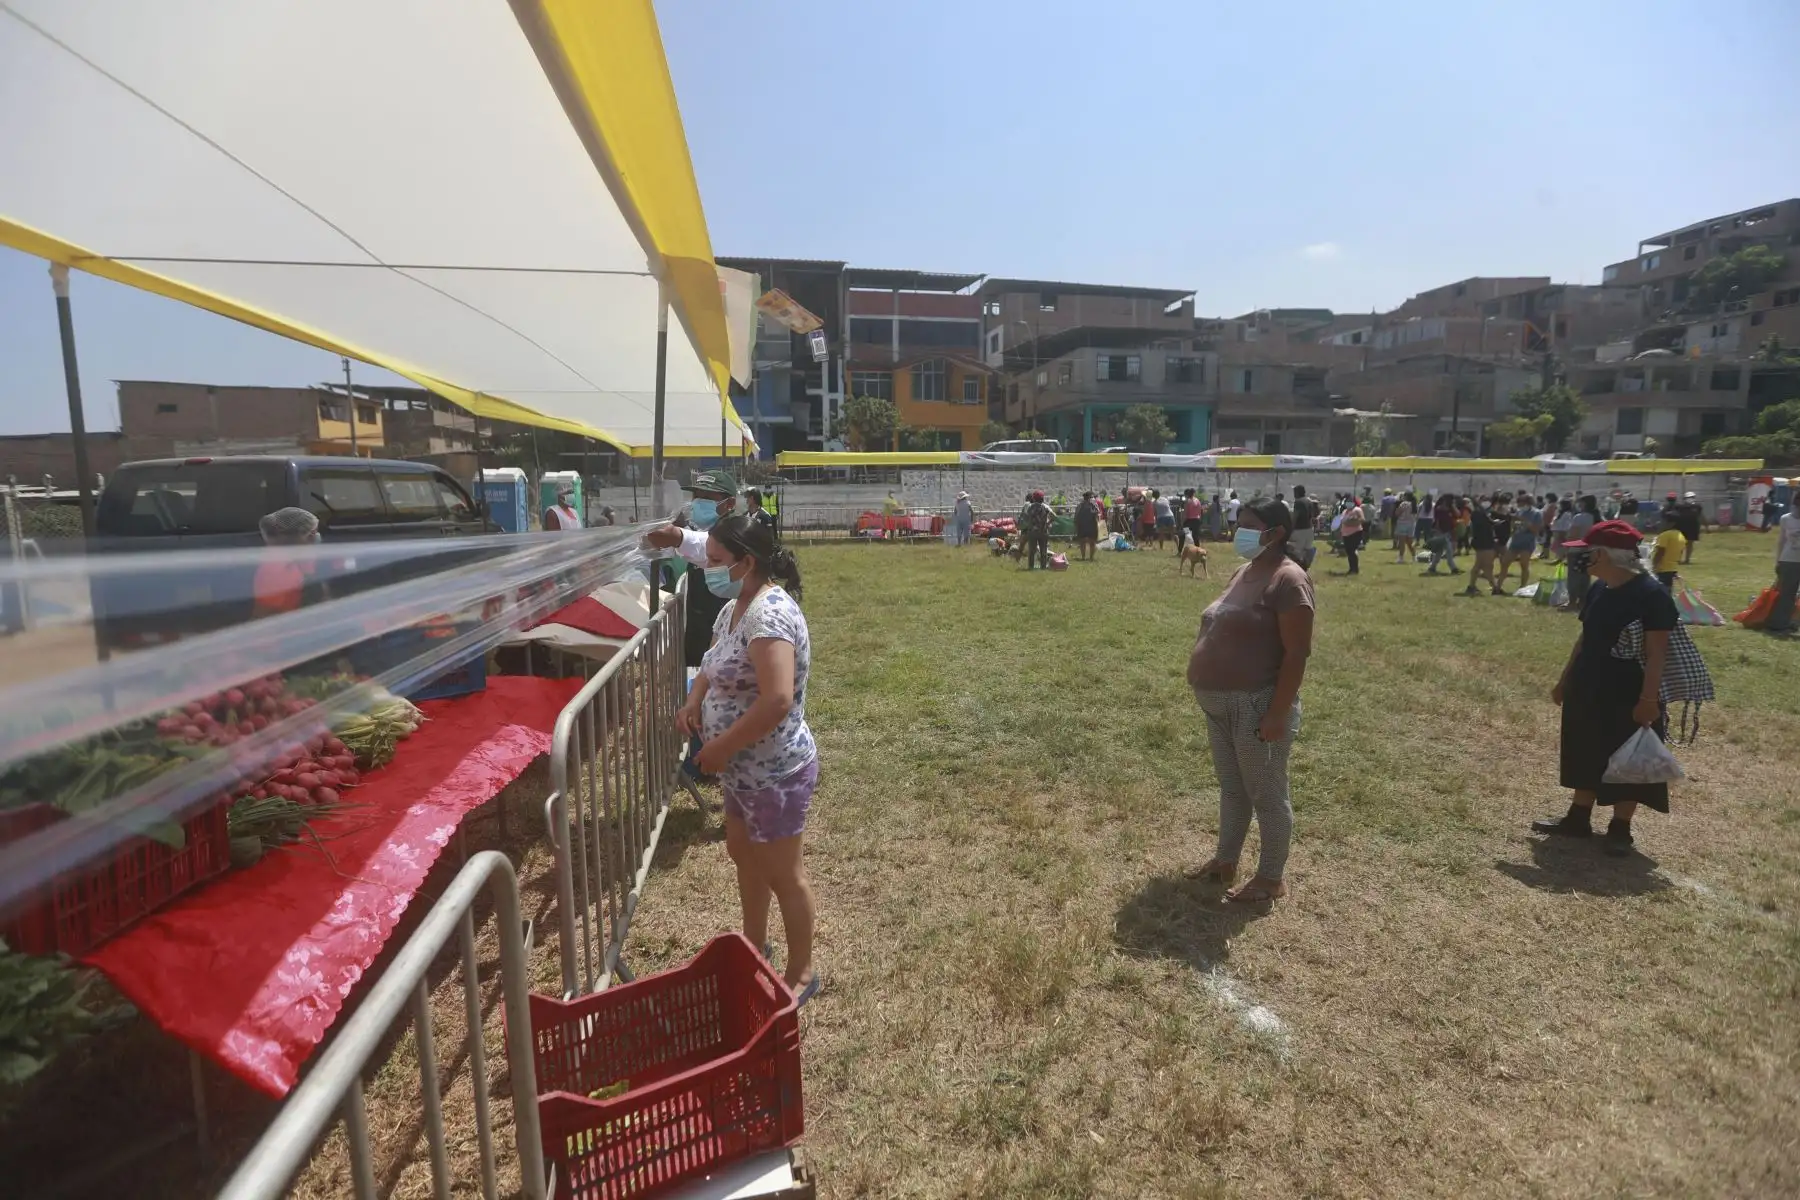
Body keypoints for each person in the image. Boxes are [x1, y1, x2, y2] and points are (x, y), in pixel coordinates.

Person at [677, 514, 820, 1003]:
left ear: (747, 562)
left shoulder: (768, 616)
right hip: (743, 769)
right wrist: (695, 700)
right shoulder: (736, 607)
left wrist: (719, 746)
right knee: (744, 855)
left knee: (783, 874)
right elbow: (714, 660)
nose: (707, 569)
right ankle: (756, 946)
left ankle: (802, 974)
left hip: (774, 771)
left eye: (716, 561)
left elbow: (777, 700)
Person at [1185, 496, 1315, 905]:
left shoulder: (1289, 579)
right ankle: (1225, 860)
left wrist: (1277, 713)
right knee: (1232, 789)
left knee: (1267, 794)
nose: (1237, 531)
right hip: (1219, 704)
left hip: (1256, 705)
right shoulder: (1246, 570)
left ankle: (1271, 877)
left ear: (1275, 533)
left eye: (1247, 524)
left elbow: (1297, 653)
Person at [1531, 520, 1677, 857]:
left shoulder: (1651, 595)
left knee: (1629, 756)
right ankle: (1577, 818)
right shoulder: (1600, 588)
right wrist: (1565, 679)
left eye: (1587, 552)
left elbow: (1658, 653)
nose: (1582, 559)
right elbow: (1585, 637)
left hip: (1628, 689)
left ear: (1603, 554)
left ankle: (1620, 829)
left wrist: (1648, 699)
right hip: (1589, 683)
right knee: (1585, 747)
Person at [253, 507, 321, 616]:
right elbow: (265, 612)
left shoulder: (299, 561)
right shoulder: (276, 569)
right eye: (312, 533)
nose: (316, 538)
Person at [1496, 493, 1540, 591]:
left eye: (1521, 503)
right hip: (1515, 541)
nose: (1519, 505)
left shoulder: (1536, 513)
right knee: (1505, 562)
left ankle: (1522, 587)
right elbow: (1514, 523)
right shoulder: (1519, 512)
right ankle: (1498, 586)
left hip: (1527, 542)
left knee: (1524, 564)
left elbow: (1535, 530)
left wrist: (1525, 521)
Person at [1768, 503, 1800, 634]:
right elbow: (1781, 541)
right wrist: (1778, 561)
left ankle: (1793, 621)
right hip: (1789, 560)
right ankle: (1779, 624)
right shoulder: (1786, 518)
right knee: (1787, 594)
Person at [1565, 495, 1599, 609]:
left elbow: (1573, 535)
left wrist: (1566, 548)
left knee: (1573, 577)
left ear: (1584, 504)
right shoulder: (1597, 517)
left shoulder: (1579, 517)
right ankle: (1582, 602)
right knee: (1585, 577)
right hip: (1591, 551)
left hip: (1576, 550)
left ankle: (1572, 602)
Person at [1463, 495, 1501, 596]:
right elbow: (1485, 525)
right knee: (1486, 566)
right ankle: (1496, 588)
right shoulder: (1478, 513)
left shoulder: (1479, 513)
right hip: (1485, 542)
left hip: (1481, 542)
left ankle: (1471, 586)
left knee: (1478, 565)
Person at [1426, 493, 1462, 575]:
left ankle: (1432, 567)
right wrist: (1438, 532)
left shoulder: (1450, 508)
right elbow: (1437, 521)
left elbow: (1458, 514)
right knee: (1449, 551)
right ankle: (1453, 568)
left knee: (1439, 551)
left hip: (1449, 532)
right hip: (1441, 532)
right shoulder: (1439, 509)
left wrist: (1453, 506)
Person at [1651, 519, 1686, 592]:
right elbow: (1681, 552)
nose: (1661, 522)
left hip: (1662, 568)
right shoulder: (1681, 535)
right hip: (1672, 568)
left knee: (1661, 592)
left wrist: (1654, 565)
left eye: (1663, 521)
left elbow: (1660, 552)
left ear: (1671, 523)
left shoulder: (1665, 535)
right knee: (1668, 590)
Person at [1290, 484, 1320, 569]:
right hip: (1309, 529)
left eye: (1294, 491)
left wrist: (1290, 528)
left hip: (1300, 530)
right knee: (1307, 549)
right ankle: (1305, 566)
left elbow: (1296, 516)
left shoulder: (1298, 502)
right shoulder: (1309, 501)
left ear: (1297, 492)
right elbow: (1312, 515)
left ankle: (1297, 568)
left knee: (1297, 551)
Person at [1022, 490, 1054, 569]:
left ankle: (1031, 567)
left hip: (1032, 531)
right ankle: (1043, 567)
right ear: (1042, 498)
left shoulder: (1030, 506)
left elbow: (1025, 517)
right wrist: (1047, 523)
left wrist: (1029, 524)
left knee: (1032, 551)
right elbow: (1054, 516)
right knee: (1043, 551)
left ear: (1034, 498)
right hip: (1043, 531)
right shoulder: (1045, 506)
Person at [1337, 493, 1367, 576]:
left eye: (1350, 502)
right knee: (1349, 552)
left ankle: (1355, 569)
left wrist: (1352, 522)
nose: (1348, 503)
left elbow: (1362, 520)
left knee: (1352, 550)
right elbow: (1342, 522)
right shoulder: (1345, 511)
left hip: (1355, 533)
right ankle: (1351, 568)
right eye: (1347, 502)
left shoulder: (1357, 510)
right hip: (1346, 534)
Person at [1074, 490, 1102, 561]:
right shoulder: (1081, 505)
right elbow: (1076, 515)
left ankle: (1090, 557)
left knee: (1091, 542)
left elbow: (1098, 514)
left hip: (1090, 526)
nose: (1093, 498)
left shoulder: (1093, 505)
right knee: (1084, 542)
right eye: (1091, 497)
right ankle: (1085, 557)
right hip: (1084, 526)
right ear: (1088, 498)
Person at [1675, 491, 1703, 564]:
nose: (1690, 499)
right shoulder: (1681, 507)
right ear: (1685, 498)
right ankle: (1678, 559)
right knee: (1681, 544)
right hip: (1683, 527)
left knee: (1690, 544)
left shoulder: (1697, 506)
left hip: (1693, 528)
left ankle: (1687, 559)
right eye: (1688, 498)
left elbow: (1699, 516)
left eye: (1691, 497)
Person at [1392, 491, 1417, 566]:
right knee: (1409, 542)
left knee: (1402, 542)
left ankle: (1401, 558)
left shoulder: (1404, 504)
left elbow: (1397, 513)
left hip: (1402, 523)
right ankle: (1414, 556)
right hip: (1412, 524)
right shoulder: (1415, 504)